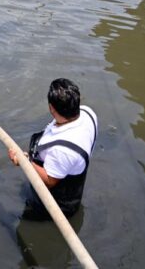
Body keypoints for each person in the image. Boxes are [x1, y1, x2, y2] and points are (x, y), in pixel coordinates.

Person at [8, 78, 97, 219]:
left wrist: (24, 161)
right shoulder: (87, 113)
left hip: (56, 205)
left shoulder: (63, 151)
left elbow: (49, 181)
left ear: (51, 108)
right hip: (68, 177)